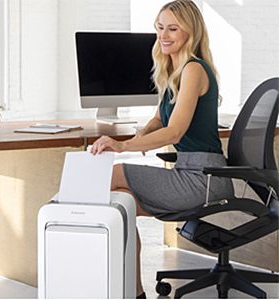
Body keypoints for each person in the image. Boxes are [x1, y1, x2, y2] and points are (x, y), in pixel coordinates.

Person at [90, 0, 234, 298]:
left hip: (204, 178)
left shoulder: (193, 69)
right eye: (159, 28)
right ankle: (135, 292)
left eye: (172, 28)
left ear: (190, 32)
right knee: (121, 205)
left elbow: (176, 130)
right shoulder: (172, 69)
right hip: (188, 171)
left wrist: (122, 145)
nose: (163, 35)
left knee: (111, 175)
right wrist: (144, 131)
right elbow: (161, 118)